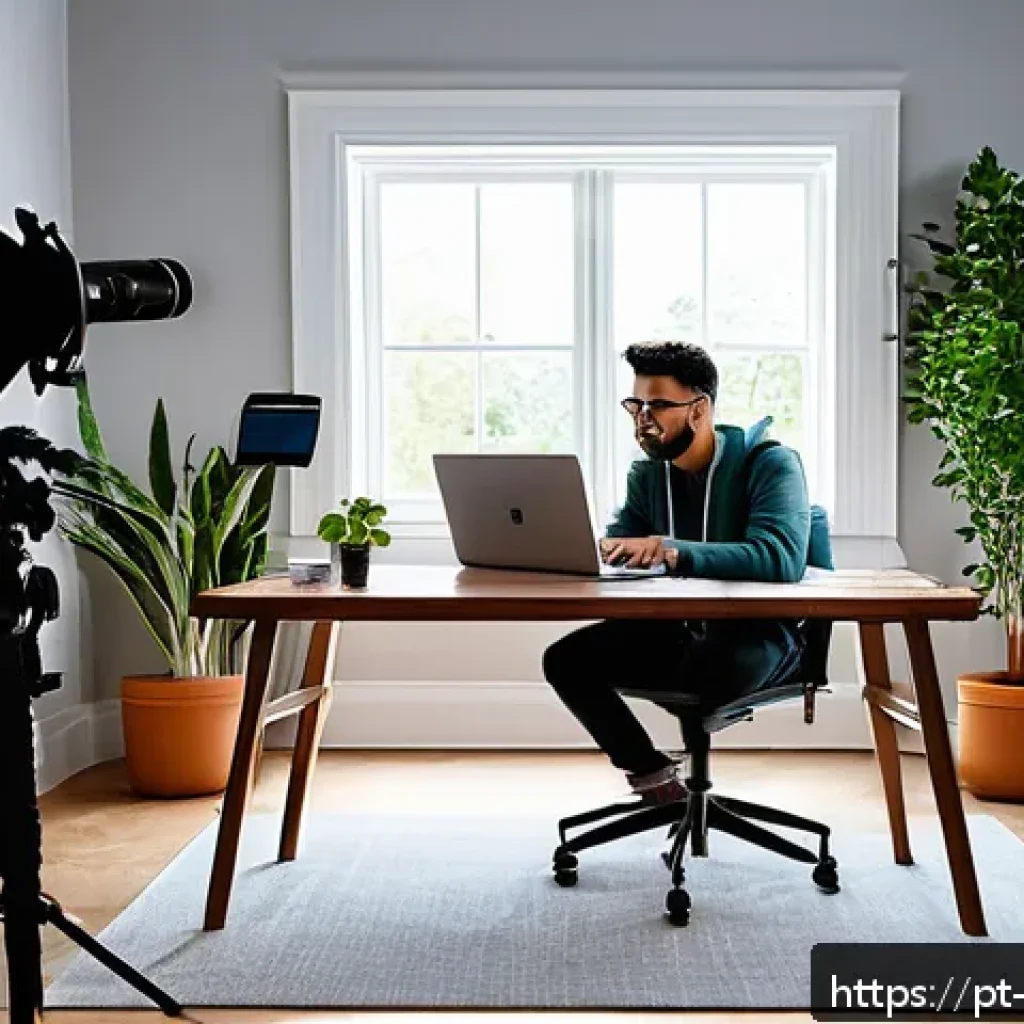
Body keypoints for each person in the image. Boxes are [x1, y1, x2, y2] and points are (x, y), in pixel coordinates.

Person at [541, 340, 811, 805]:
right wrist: (603, 547)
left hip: (754, 638)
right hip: (674, 633)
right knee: (566, 660)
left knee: (707, 669)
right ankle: (653, 778)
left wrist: (669, 552)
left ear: (699, 408)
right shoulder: (648, 475)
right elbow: (623, 540)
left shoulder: (770, 464)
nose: (643, 417)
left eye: (659, 404)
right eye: (636, 404)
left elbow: (779, 556)